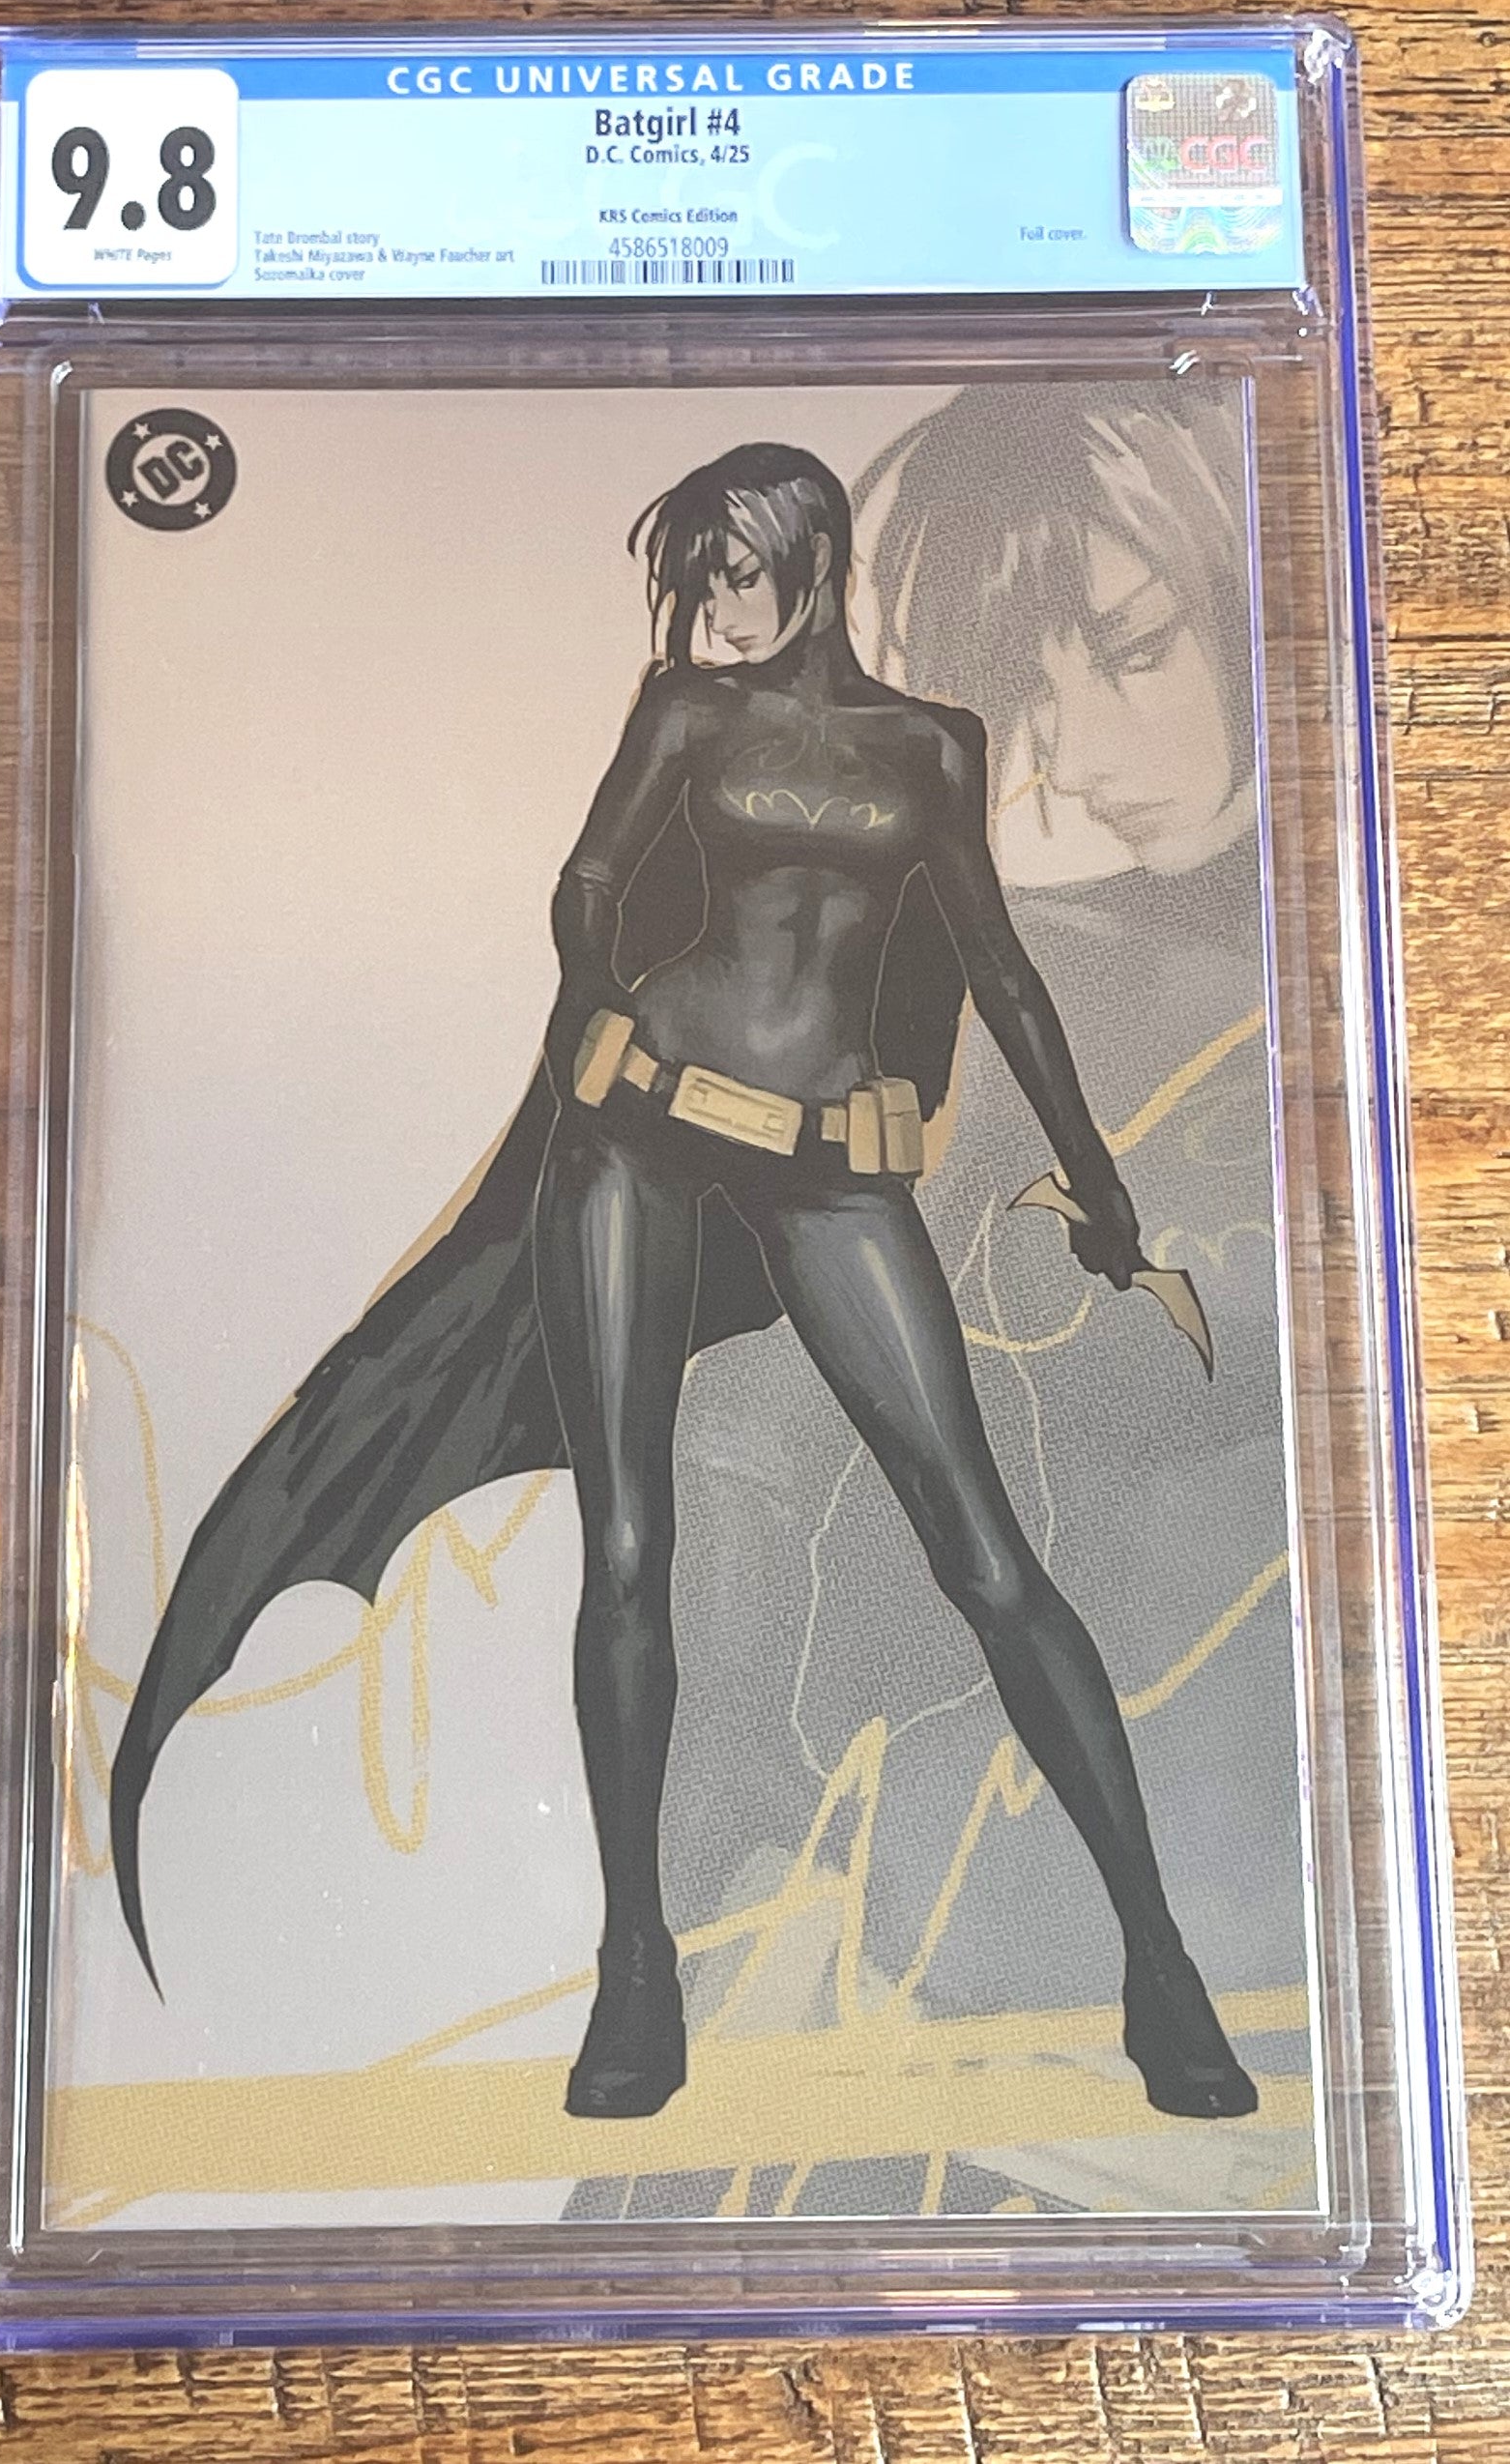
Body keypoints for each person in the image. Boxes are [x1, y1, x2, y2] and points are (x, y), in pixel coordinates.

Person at [109, 440, 1258, 2130]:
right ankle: (635, 1964)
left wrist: (1098, 1176)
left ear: (811, 562)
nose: (717, 604)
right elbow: (588, 880)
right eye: (699, 578)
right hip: (634, 1143)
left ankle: (1157, 1962)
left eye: (739, 570)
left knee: (983, 1552)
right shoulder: (684, 716)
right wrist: (604, 994)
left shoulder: (932, 745)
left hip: (827, 1162)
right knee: (631, 1543)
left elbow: (999, 968)